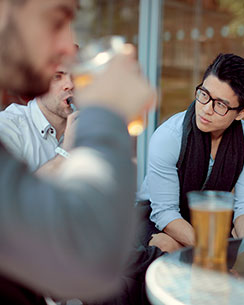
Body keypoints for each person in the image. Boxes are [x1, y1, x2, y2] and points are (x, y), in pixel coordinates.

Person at [0, 0, 155, 304]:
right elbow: (87, 254)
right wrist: (107, 110)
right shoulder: (9, 126)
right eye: (56, 21)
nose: (68, 51)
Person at [137, 53, 244, 253]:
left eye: (220, 104)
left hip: (210, 218)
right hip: (153, 217)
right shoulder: (169, 137)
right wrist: (213, 251)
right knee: (171, 247)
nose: (206, 109)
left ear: (241, 113)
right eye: (204, 94)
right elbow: (165, 213)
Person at [0, 65, 75, 172]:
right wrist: (65, 152)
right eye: (57, 76)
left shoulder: (88, 125)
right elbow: (11, 188)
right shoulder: (8, 126)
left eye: (75, 75)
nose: (70, 85)